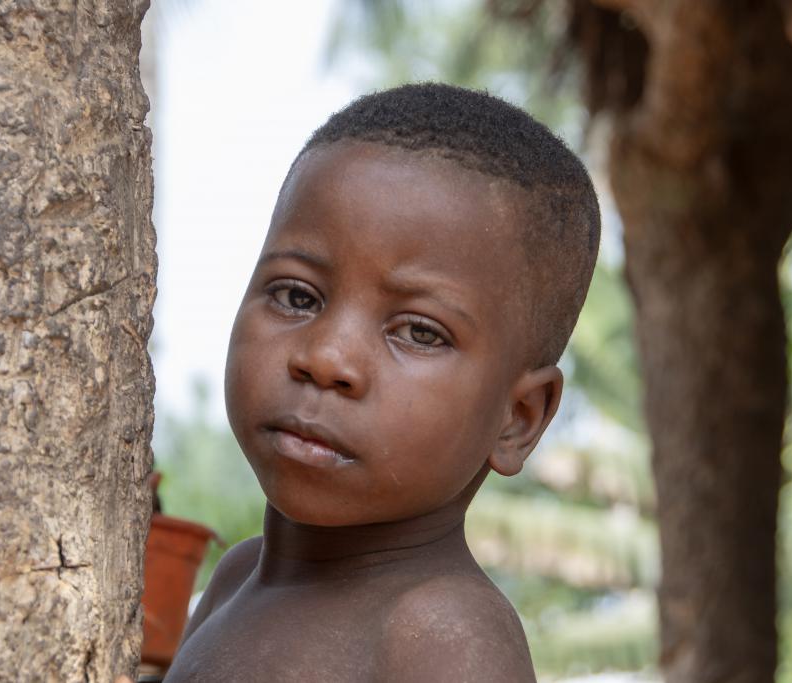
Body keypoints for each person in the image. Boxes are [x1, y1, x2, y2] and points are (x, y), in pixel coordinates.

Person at [164, 83, 600, 682]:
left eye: (419, 332)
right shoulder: (236, 578)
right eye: (297, 296)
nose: (325, 358)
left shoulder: (444, 634)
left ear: (518, 417)